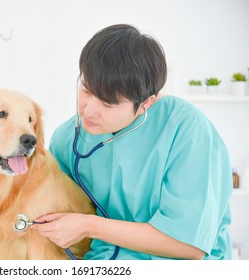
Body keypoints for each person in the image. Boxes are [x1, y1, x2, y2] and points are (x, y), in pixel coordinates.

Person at [31, 24, 232, 260]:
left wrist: (90, 226)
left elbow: (189, 246)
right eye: (86, 90)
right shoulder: (68, 138)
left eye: (108, 103)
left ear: (146, 103)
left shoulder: (187, 130)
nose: (89, 110)